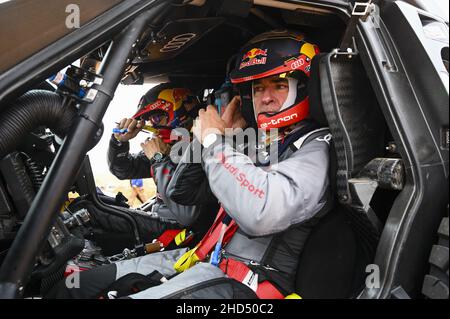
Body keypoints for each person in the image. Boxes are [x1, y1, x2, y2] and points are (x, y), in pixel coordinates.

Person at [48, 30, 332, 299]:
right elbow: (183, 192)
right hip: (203, 259)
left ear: (304, 87)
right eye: (258, 88)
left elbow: (260, 213)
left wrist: (212, 142)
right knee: (75, 287)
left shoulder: (315, 146)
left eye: (280, 85)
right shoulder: (256, 140)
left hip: (246, 284)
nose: (266, 97)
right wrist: (216, 140)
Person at [88, 83, 217, 246]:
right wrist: (119, 142)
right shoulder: (170, 148)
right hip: (160, 220)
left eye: (156, 117)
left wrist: (159, 158)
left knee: (90, 213)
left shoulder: (204, 150)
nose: (152, 125)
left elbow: (186, 215)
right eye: (148, 119)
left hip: (181, 232)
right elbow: (123, 170)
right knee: (91, 202)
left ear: (180, 113)